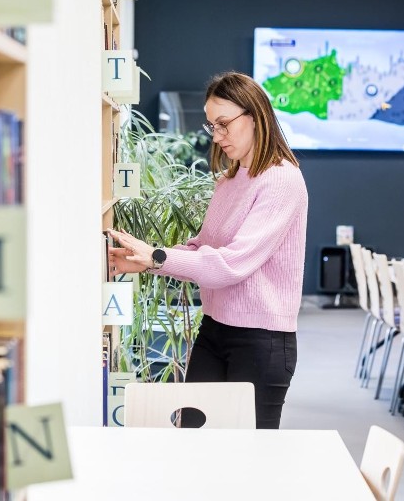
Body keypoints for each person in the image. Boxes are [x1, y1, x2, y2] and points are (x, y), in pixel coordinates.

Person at [107, 71, 308, 429]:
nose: (217, 136)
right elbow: (203, 248)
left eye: (223, 124)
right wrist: (148, 261)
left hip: (261, 341)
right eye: (212, 126)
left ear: (255, 115)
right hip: (215, 328)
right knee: (194, 438)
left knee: (248, 460)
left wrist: (157, 256)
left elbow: (230, 265)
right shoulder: (230, 180)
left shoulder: (282, 180)